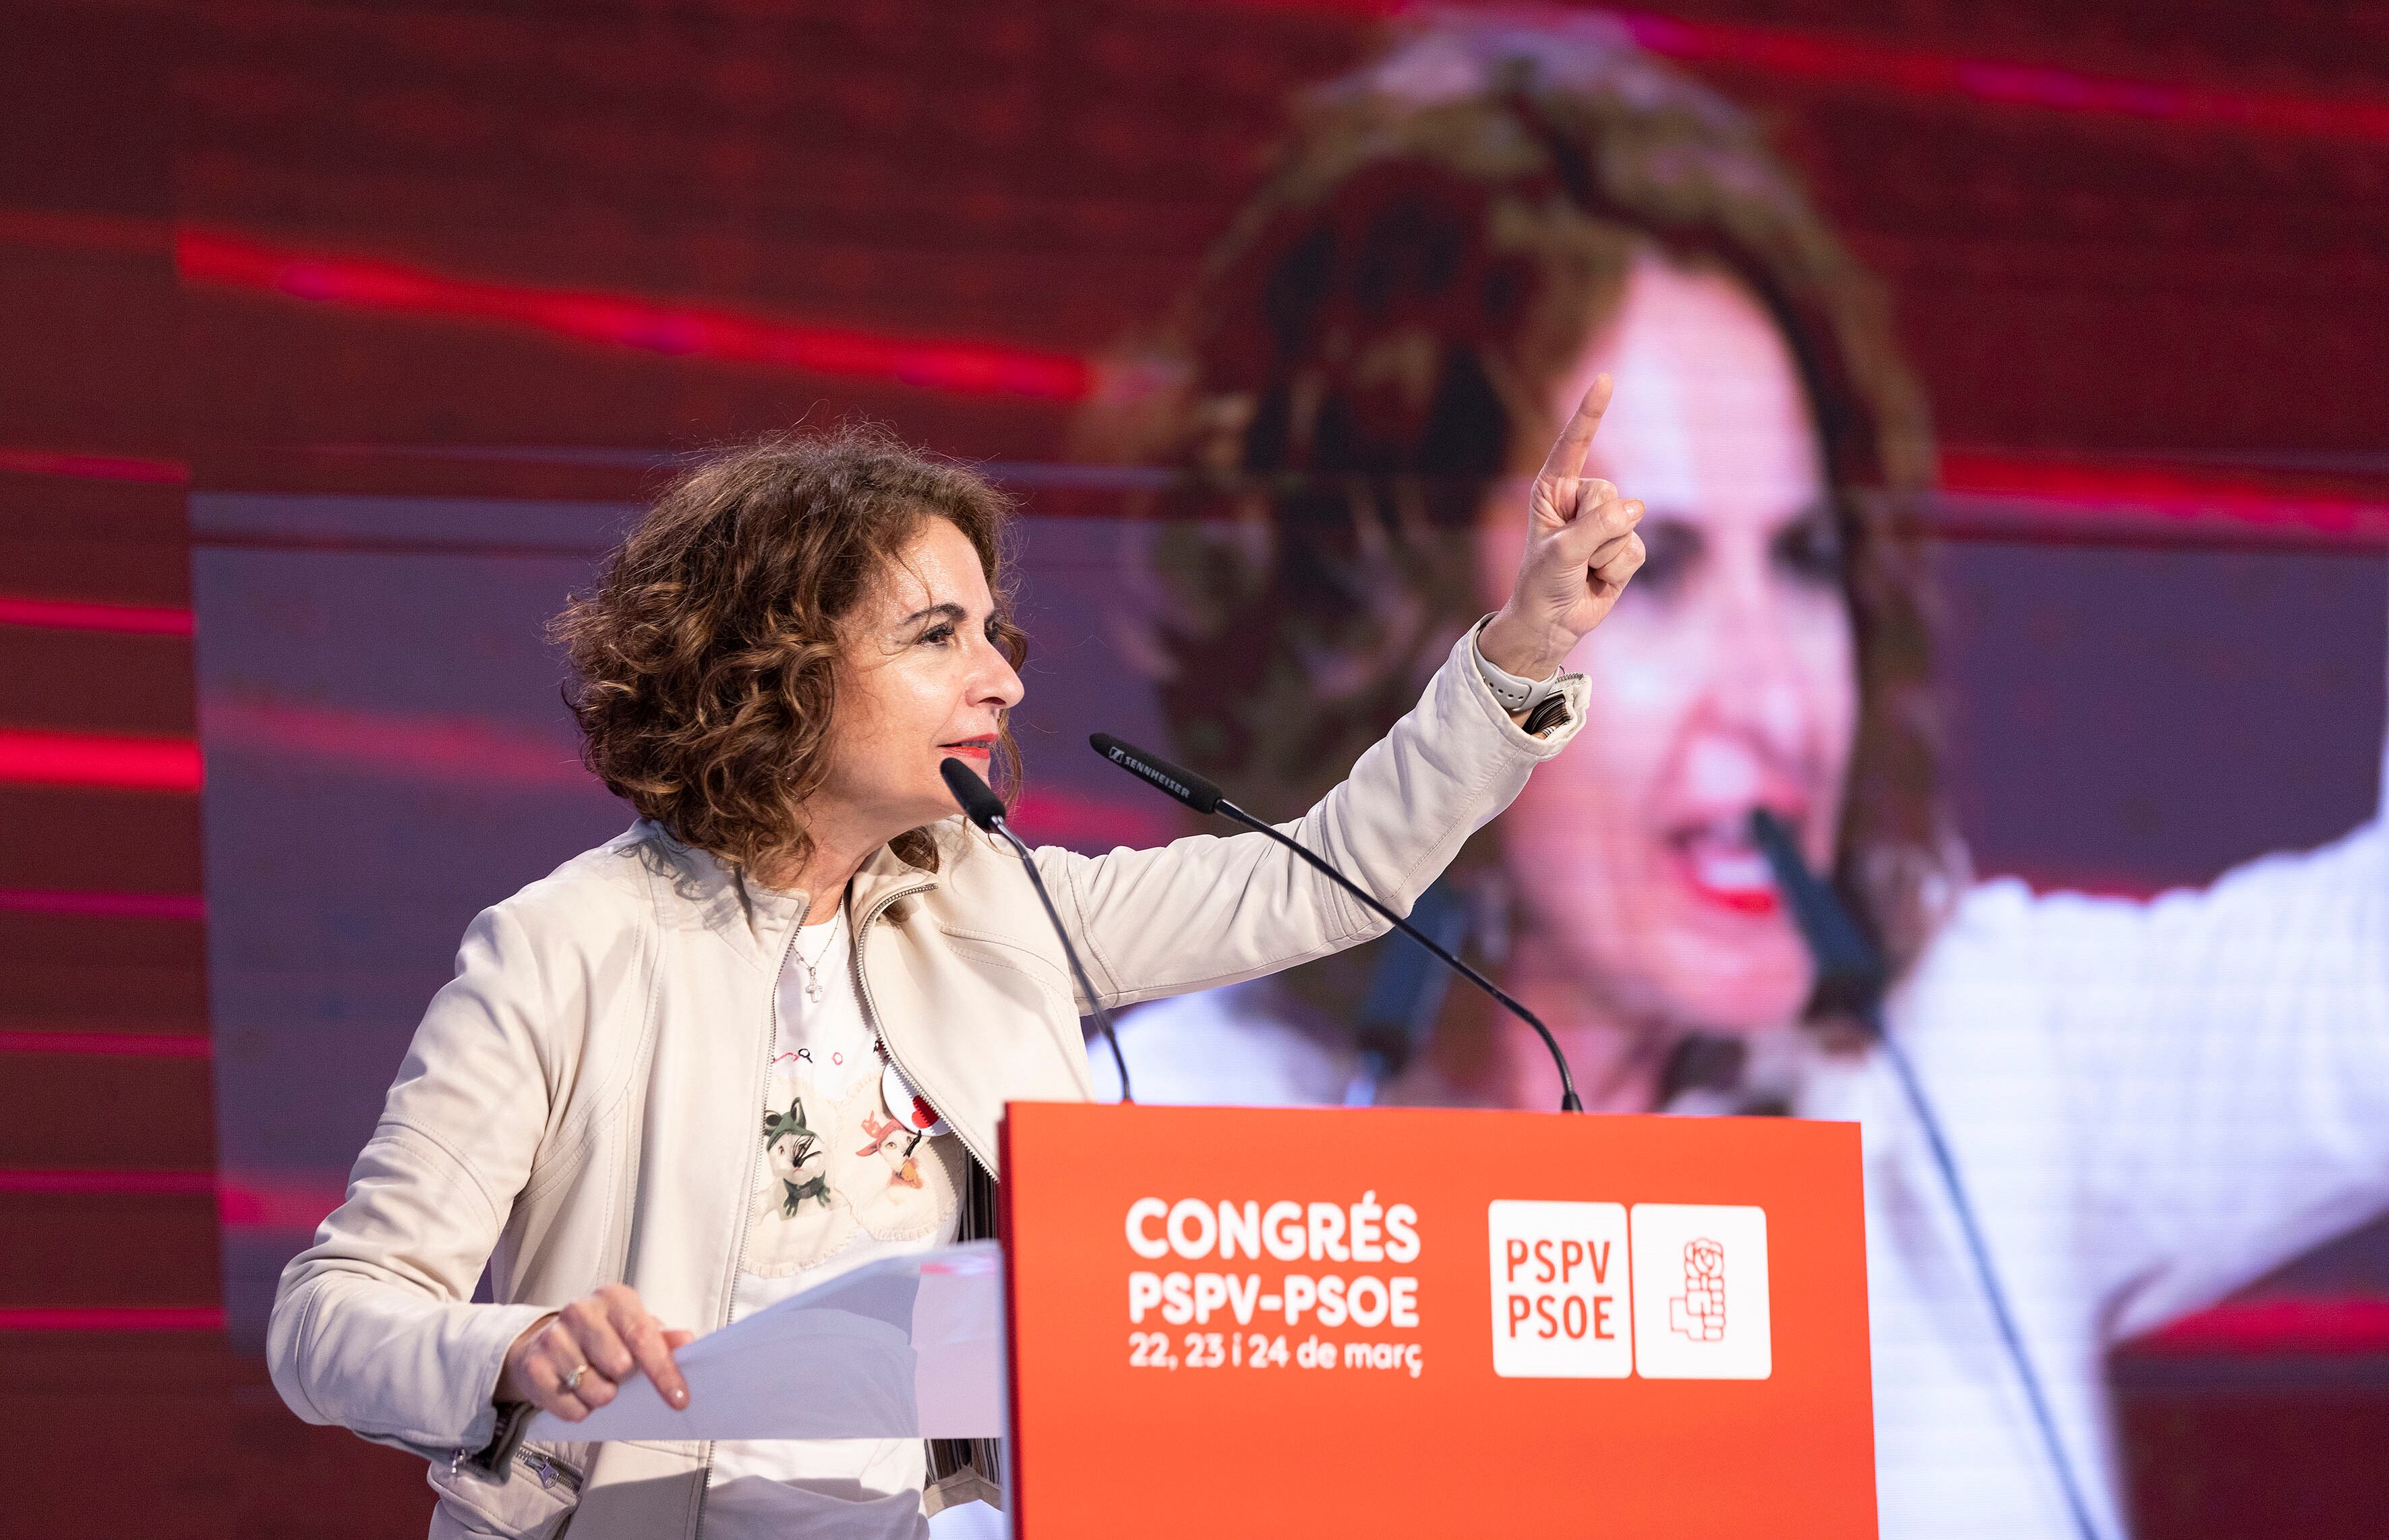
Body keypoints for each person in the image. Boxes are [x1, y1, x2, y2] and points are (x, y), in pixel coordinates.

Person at [1085, 16, 2389, 1540]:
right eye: (1655, 568)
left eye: (1807, 561)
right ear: (1381, 635)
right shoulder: (1148, 1146)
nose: (1779, 698)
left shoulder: (1968, 1047)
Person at [265, 413, 1643, 1538]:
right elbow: (331, 1318)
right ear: (774, 667)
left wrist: (1519, 651)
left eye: (994, 635)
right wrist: (511, 1350)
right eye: (937, 636)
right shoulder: (564, 943)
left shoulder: (996, 904)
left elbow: (1309, 876)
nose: (1002, 681)